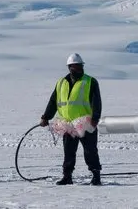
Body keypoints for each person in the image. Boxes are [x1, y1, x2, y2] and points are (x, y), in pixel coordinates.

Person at [40, 53, 103, 186]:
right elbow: (53, 101)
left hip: (85, 123)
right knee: (68, 152)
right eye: (76, 66)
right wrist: (46, 117)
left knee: (90, 151)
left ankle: (96, 176)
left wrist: (95, 119)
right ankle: (67, 177)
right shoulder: (61, 83)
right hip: (67, 124)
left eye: (80, 66)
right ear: (70, 67)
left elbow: (96, 102)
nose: (79, 68)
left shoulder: (90, 81)